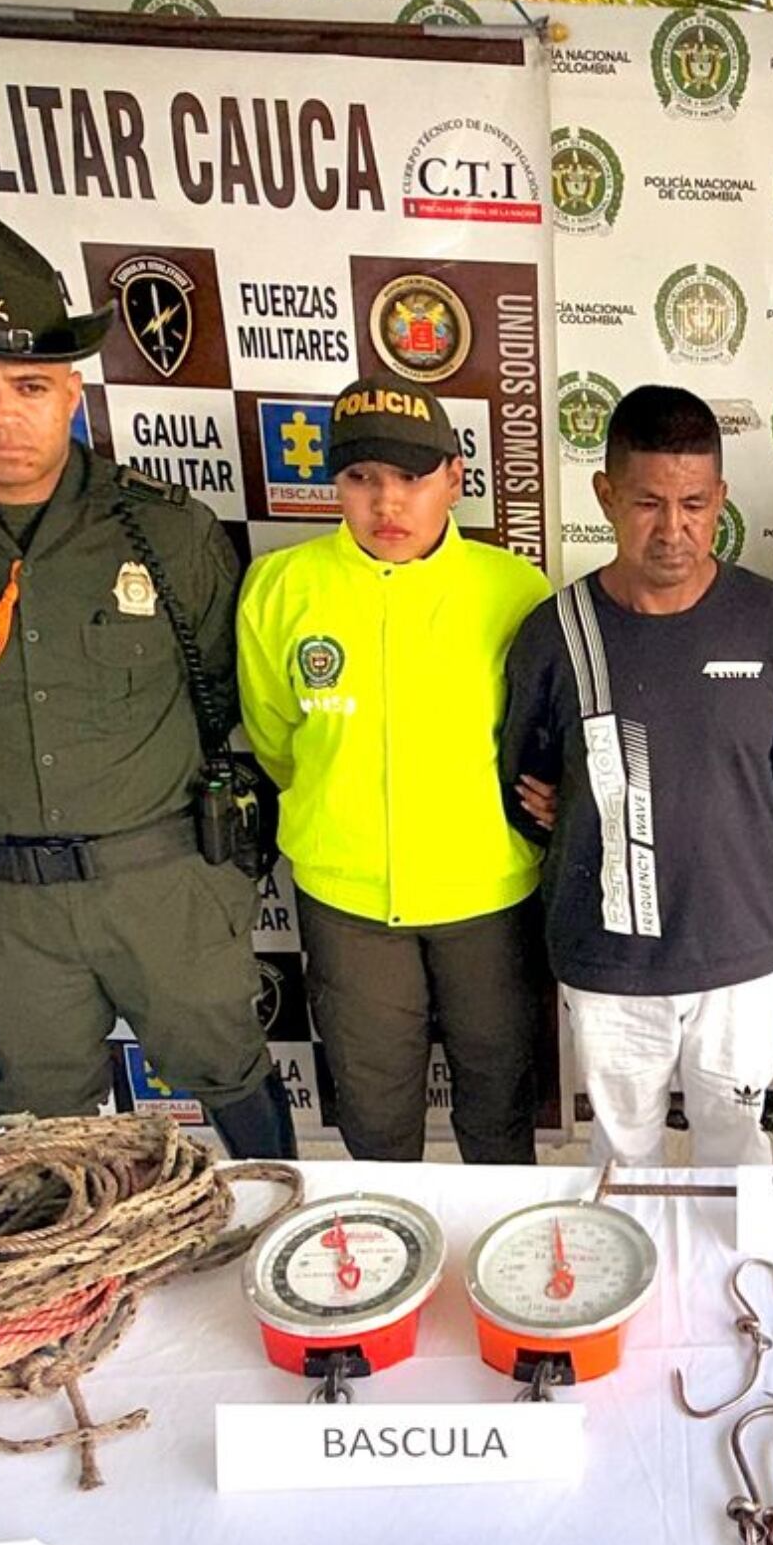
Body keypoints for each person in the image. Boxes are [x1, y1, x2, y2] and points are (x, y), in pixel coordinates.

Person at [0, 207, 297, 1158]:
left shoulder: (163, 530)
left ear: (70, 391)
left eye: (30, 385)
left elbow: (222, 693)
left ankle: (291, 1264)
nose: (2, 416)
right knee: (36, 1142)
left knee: (234, 1078)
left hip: (162, 884)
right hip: (1, 904)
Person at [500, 386, 773, 1165]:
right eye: (648, 501)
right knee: (620, 1156)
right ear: (606, 495)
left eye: (694, 503)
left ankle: (735, 1292)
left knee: (736, 1150)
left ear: (721, 500)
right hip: (610, 958)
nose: (673, 529)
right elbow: (526, 785)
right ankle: (632, 1291)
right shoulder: (557, 632)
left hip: (740, 955)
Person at [239, 378, 553, 1161]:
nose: (388, 503)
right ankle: (391, 1274)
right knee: (375, 1119)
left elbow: (542, 738)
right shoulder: (281, 587)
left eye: (411, 478)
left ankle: (498, 1271)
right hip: (347, 904)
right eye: (362, 478)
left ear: (453, 477)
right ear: (334, 482)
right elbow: (276, 737)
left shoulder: (514, 589)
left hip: (489, 898)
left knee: (499, 1106)